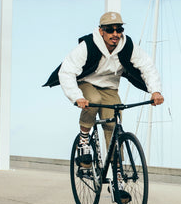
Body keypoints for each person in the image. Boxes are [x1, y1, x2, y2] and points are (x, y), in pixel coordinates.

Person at [43, 11, 164, 172]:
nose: (115, 34)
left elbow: (147, 66)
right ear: (101, 31)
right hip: (87, 82)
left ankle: (118, 176)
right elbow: (66, 71)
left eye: (119, 30)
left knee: (114, 121)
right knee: (93, 100)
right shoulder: (88, 46)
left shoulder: (127, 46)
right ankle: (84, 140)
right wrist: (77, 97)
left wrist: (155, 91)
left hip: (110, 88)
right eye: (110, 30)